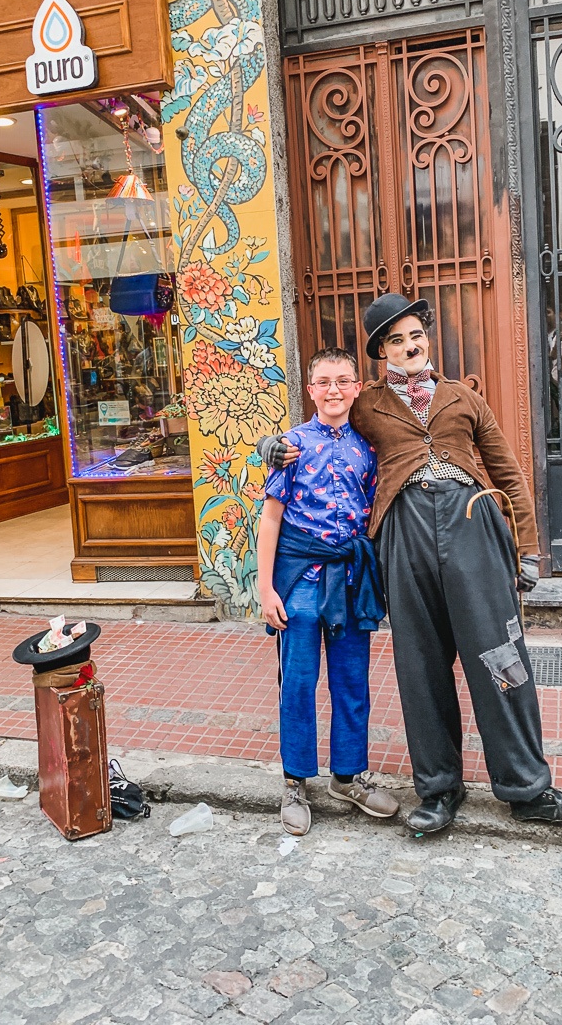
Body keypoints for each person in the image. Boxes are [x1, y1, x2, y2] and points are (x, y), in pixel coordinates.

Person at [259, 295, 562, 835]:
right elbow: (316, 425)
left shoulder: (464, 397)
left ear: (427, 338)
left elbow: (508, 475)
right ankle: (438, 789)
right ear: (381, 352)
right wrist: (269, 444)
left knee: (500, 656)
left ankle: (528, 788)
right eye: (396, 340)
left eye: (415, 335)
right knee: (420, 666)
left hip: (472, 527)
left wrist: (526, 549)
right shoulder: (366, 403)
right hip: (403, 535)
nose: (409, 346)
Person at [257, 346, 399, 836]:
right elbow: (270, 518)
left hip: (349, 582)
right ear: (310, 389)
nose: (334, 390)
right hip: (298, 584)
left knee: (351, 681)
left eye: (343, 381)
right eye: (324, 382)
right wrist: (264, 589)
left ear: (357, 387)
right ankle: (295, 780)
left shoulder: (368, 448)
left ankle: (348, 775)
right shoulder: (291, 445)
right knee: (297, 683)